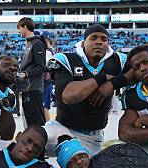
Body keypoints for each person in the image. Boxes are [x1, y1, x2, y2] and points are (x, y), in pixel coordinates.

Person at [45, 24, 130, 156]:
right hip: (61, 129)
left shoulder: (118, 60)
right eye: (93, 38)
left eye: (104, 39)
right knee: (34, 138)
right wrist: (102, 78)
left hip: (92, 137)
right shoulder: (66, 59)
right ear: (84, 42)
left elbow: (141, 71)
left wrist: (112, 84)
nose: (99, 42)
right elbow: (68, 96)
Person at [16, 17, 47, 127]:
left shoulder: (37, 43)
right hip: (27, 88)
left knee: (36, 122)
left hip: (33, 88)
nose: (18, 31)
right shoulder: (29, 44)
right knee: (29, 122)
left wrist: (26, 74)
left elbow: (41, 67)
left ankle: (41, 143)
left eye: (19, 28)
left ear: (25, 27)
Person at [41, 31, 55, 121]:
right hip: (49, 81)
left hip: (46, 81)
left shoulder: (47, 52)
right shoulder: (52, 50)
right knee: (45, 105)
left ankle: (47, 125)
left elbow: (45, 67)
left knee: (44, 106)